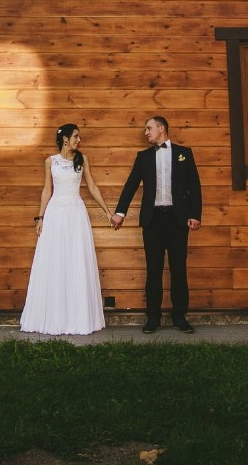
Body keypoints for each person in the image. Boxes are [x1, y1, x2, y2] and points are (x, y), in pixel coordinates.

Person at [20, 123, 114, 335]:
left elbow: (92, 187)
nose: (79, 140)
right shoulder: (50, 161)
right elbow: (47, 190)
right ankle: (54, 316)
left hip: (75, 214)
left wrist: (107, 212)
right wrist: (40, 217)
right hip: (55, 214)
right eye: (76, 137)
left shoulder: (82, 160)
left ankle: (78, 317)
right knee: (55, 260)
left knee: (76, 259)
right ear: (65, 139)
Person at [112, 116, 202, 333]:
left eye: (149, 128)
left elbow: (194, 186)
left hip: (177, 219)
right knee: (153, 270)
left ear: (161, 128)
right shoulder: (143, 157)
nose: (146, 133)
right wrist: (120, 212)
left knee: (178, 269)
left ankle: (179, 316)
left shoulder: (184, 153)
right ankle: (153, 317)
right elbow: (131, 185)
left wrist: (195, 214)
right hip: (152, 220)